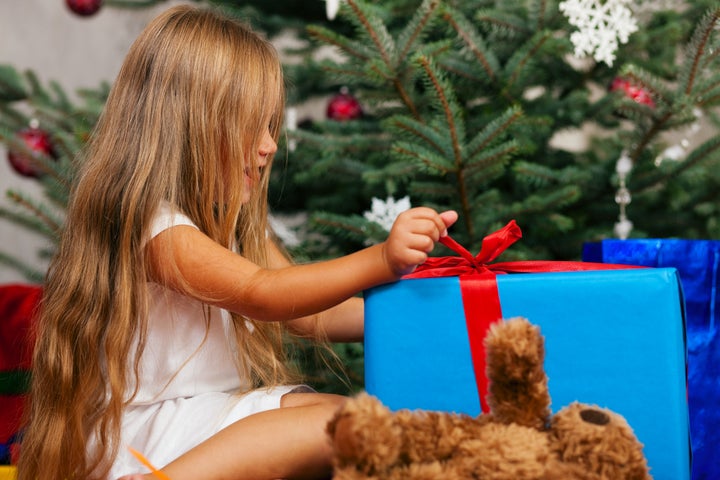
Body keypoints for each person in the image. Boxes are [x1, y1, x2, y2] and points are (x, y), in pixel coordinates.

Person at [17, 5, 457, 480]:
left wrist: (433, 315)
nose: (269, 145)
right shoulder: (156, 229)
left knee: (362, 421)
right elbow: (263, 294)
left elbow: (313, 313)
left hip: (207, 415)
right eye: (252, 125)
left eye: (271, 126)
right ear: (189, 126)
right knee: (335, 425)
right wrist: (382, 260)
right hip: (147, 436)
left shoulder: (227, 226)